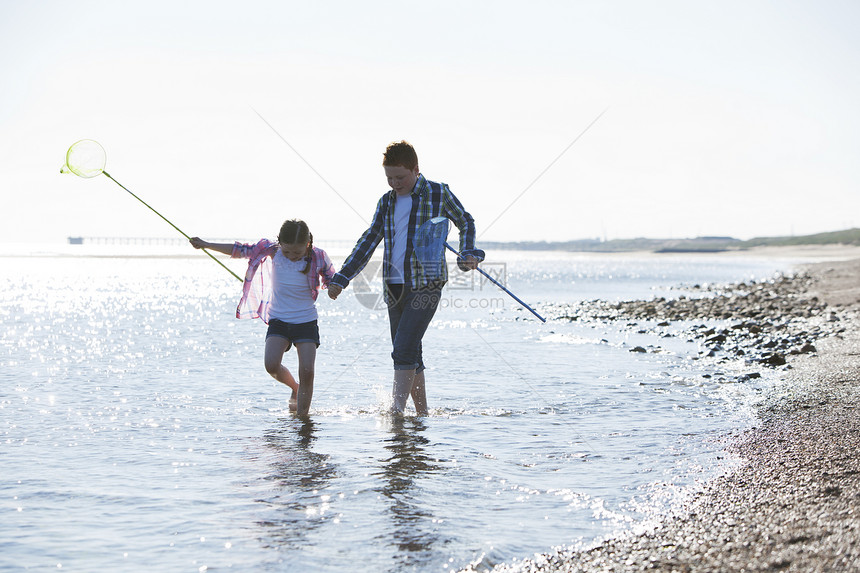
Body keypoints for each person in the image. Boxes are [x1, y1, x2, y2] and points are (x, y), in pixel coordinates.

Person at [327, 141, 484, 415]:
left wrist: (467, 251)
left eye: (400, 177)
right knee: (411, 350)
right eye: (389, 178)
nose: (394, 183)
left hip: (428, 282)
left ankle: (396, 411)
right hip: (393, 284)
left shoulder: (438, 192)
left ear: (416, 169)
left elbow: (466, 221)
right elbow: (369, 240)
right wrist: (343, 276)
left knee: (403, 347)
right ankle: (422, 414)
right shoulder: (386, 201)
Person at [190, 219, 334, 417]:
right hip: (279, 320)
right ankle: (295, 387)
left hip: (306, 321)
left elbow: (331, 277)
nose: (292, 256)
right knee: (271, 365)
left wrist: (334, 287)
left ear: (307, 245)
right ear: (280, 243)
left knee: (307, 370)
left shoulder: (318, 256)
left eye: (298, 253)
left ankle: (303, 419)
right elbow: (239, 249)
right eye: (288, 251)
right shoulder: (271, 251)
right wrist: (206, 244)